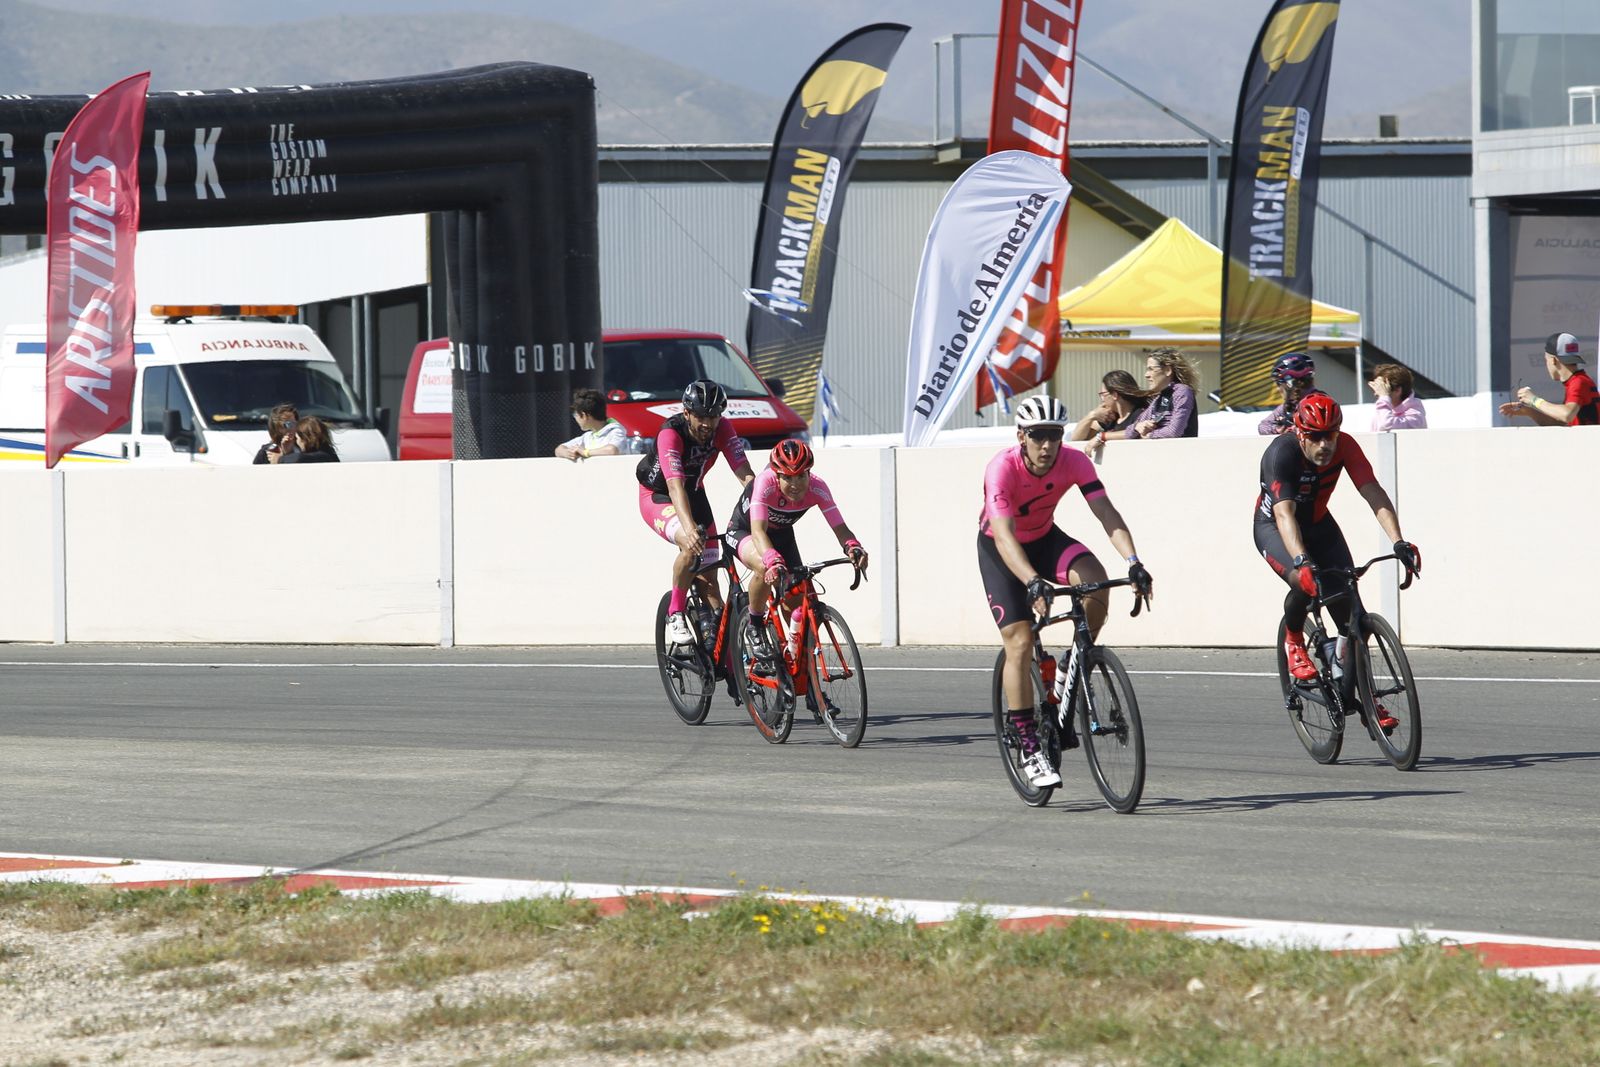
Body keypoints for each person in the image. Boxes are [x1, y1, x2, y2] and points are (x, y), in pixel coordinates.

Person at [979, 395, 1153, 789]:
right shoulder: (1001, 469)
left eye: (1054, 436)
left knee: (1096, 582)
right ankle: (1027, 743)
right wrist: (1031, 582)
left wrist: (1134, 562)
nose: (1047, 445)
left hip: (1045, 539)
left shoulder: (1073, 461)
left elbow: (1105, 512)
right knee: (1020, 642)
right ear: (1021, 436)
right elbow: (1005, 538)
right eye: (1038, 436)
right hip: (1001, 550)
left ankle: (1071, 665)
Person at [1253, 393, 1420, 728]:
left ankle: (1363, 693)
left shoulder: (1345, 446)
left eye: (1330, 434)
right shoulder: (1280, 454)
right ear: (1300, 433)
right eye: (1315, 436)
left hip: (1318, 524)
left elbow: (1372, 491)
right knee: (1303, 581)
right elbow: (1285, 514)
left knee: (1350, 613)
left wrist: (1399, 541)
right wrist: (1301, 560)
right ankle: (1295, 639)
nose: (1324, 444)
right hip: (1275, 526)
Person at [722, 438, 867, 666]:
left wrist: (853, 546)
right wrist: (772, 560)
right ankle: (756, 625)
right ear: (776, 474)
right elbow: (758, 532)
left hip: (781, 536)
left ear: (810, 473)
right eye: (787, 477)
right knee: (763, 565)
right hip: (745, 531)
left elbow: (839, 527)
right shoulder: (764, 483)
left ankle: (809, 687)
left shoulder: (818, 487)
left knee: (797, 609)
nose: (796, 484)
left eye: (801, 476)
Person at [637, 379, 756, 646]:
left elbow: (744, 472)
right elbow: (674, 485)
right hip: (659, 495)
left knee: (710, 579)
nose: (708, 423)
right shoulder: (671, 432)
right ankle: (675, 612)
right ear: (687, 413)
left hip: (694, 493)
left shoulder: (723, 428)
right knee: (690, 547)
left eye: (713, 416)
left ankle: (716, 643)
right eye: (701, 416)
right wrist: (689, 530)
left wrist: (761, 505)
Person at [1498, 332, 1600, 427]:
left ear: (1553, 360)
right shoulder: (1578, 380)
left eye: (1546, 360)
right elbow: (1559, 423)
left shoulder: (1578, 382)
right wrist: (1529, 411)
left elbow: (1566, 415)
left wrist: (1534, 400)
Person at [1121, 347, 1199, 440]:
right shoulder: (1159, 398)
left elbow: (1174, 431)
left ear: (1167, 370)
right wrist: (1138, 427)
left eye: (1151, 369)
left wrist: (1150, 435)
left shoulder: (1182, 392)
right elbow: (1129, 433)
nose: (1146, 375)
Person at [1070, 370, 1143, 445]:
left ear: (1114, 395)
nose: (1102, 399)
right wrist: (1091, 416)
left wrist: (1103, 436)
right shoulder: (1108, 417)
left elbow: (1137, 432)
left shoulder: (1141, 414)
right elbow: (1076, 438)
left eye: (1103, 394)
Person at [554, 387, 627, 461]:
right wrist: (567, 453)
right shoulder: (587, 436)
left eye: (576, 415)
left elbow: (612, 450)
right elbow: (559, 449)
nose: (575, 418)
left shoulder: (616, 431)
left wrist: (585, 452)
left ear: (584, 415)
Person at [1258, 352, 1322, 435]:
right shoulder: (1289, 405)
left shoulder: (1319, 402)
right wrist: (1278, 429)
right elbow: (1263, 426)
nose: (1278, 389)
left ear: (1289, 384)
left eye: (1278, 384)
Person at [1368, 363, 1427, 430]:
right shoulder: (1383, 412)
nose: (1376, 394)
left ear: (1397, 390)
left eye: (1383, 389)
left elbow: (1387, 425)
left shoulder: (1416, 416)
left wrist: (1384, 397)